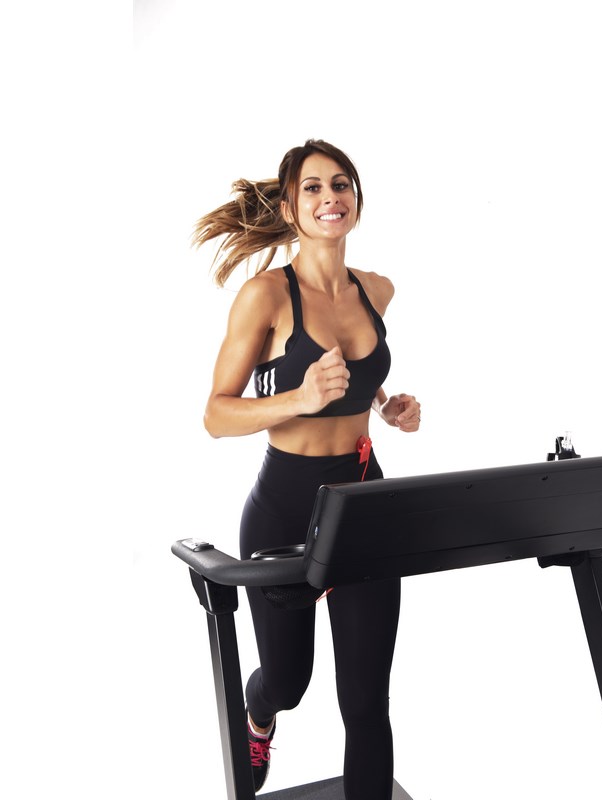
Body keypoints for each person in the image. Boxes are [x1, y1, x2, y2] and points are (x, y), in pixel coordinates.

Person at [193, 139, 421, 800]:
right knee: (289, 681)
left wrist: (386, 405)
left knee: (366, 701)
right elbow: (215, 414)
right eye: (314, 188)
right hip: (285, 508)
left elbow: (354, 373)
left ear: (357, 199)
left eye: (341, 184)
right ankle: (259, 714)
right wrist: (299, 399)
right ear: (291, 208)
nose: (331, 198)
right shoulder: (264, 296)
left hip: (364, 502)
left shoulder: (377, 290)